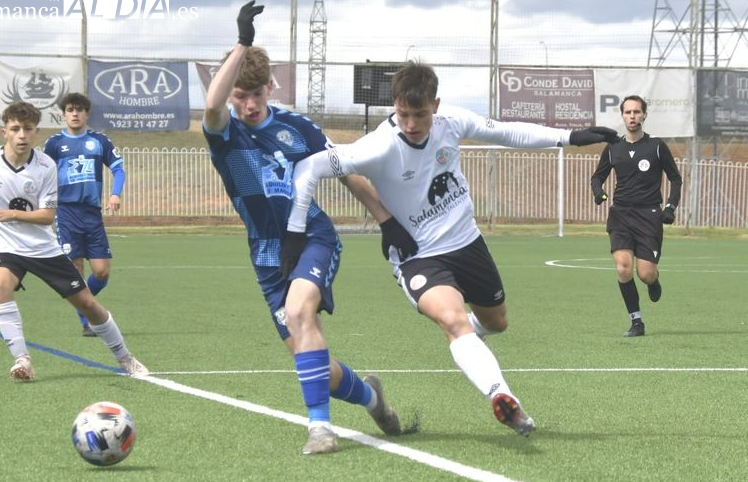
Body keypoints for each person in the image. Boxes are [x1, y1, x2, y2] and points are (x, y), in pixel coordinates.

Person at [282, 61, 621, 437]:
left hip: (467, 243)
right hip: (418, 255)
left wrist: (570, 137)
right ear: (394, 105)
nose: (412, 124)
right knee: (452, 320)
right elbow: (309, 170)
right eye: (404, 114)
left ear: (436, 105)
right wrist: (295, 234)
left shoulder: (452, 122)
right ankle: (503, 397)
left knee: (496, 322)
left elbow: (506, 132)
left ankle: (470, 343)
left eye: (421, 114)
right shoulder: (377, 146)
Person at [202, 0, 413, 455]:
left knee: (301, 313)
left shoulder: (298, 128)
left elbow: (347, 171)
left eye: (257, 93)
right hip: (265, 255)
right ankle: (374, 398)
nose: (251, 104)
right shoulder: (222, 132)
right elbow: (212, 103)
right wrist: (242, 44)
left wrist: (387, 222)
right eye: (241, 95)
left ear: (269, 87)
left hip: (312, 237)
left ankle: (320, 429)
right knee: (308, 357)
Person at [0, 102, 148, 380]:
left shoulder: (45, 166)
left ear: (36, 132)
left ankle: (125, 357)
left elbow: (47, 216)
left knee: (87, 304)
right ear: (4, 131)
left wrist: (12, 214)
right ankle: (22, 360)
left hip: (43, 248)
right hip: (5, 247)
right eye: (16, 129)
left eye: (28, 129)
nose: (22, 135)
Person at [590, 95, 682, 337]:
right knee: (622, 268)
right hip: (620, 214)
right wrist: (598, 192)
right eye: (628, 112)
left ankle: (653, 281)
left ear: (644, 115)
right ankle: (637, 322)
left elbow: (675, 178)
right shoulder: (613, 148)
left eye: (636, 112)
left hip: (649, 216)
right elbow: (597, 176)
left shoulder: (657, 146)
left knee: (645, 273)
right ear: (622, 116)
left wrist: (670, 206)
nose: (632, 116)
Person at [43, 93, 125, 337]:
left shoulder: (99, 141)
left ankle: (84, 306)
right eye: (70, 110)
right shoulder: (54, 143)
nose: (75, 114)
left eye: (80, 110)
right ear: (64, 114)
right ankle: (87, 319)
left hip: (93, 214)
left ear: (87, 114)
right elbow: (42, 174)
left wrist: (115, 194)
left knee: (102, 272)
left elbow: (119, 169)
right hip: (66, 213)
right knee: (75, 268)